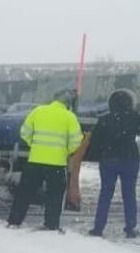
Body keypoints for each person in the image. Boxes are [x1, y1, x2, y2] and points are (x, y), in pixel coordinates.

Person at [7, 88, 84, 231]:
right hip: (57, 163)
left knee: (24, 192)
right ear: (67, 104)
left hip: (35, 160)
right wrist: (66, 151)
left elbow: (25, 132)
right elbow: (77, 140)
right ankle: (51, 224)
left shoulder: (38, 111)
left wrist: (34, 144)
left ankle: (14, 221)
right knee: (54, 195)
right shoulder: (69, 116)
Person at [86, 89, 140, 237]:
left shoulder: (104, 119)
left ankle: (98, 227)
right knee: (129, 194)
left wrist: (97, 156)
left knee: (105, 194)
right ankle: (130, 227)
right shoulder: (135, 117)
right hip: (130, 159)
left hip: (109, 159)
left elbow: (95, 142)